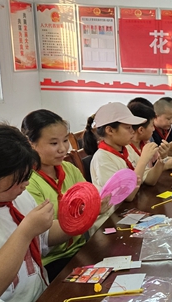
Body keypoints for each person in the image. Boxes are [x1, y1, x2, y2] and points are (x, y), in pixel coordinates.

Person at [0, 124, 71, 301]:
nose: (26, 184)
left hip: (44, 293)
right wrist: (25, 232)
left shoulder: (14, 194)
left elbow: (43, 236)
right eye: (19, 178)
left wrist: (81, 218)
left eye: (27, 176)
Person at [21, 109, 109, 281]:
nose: (62, 149)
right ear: (31, 143)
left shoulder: (68, 169)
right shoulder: (27, 182)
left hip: (81, 248)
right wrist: (89, 213)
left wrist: (99, 203)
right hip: (52, 262)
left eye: (65, 140)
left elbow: (89, 199)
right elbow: (45, 235)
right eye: (54, 143)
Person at [84, 102, 172, 202]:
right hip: (117, 210)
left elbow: (150, 180)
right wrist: (143, 160)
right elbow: (126, 196)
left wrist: (161, 160)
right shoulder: (102, 159)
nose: (132, 131)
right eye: (128, 127)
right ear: (110, 130)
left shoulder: (126, 149)